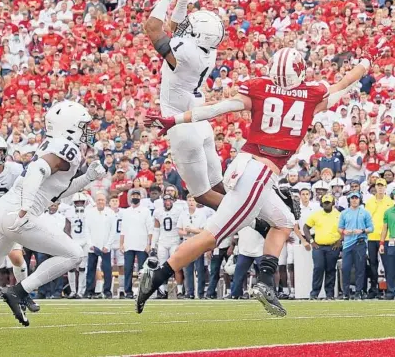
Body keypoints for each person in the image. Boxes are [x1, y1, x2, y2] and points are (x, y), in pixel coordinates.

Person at [139, 48, 372, 316]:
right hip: (258, 174)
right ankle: (157, 275)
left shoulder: (260, 88)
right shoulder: (311, 95)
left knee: (284, 221)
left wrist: (175, 120)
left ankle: (264, 282)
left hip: (248, 167)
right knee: (212, 236)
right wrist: (366, 62)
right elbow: (343, 84)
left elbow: (218, 108)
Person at [0, 101, 106, 326]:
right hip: (18, 213)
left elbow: (56, 193)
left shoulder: (54, 144)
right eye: (83, 125)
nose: (87, 130)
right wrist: (25, 206)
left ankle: (18, 292)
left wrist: (88, 177)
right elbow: (37, 169)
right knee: (74, 254)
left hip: (0, 211)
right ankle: (19, 291)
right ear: (70, 126)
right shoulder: (67, 147)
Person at [144, 0, 226, 210]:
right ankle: (252, 216)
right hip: (199, 120)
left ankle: (254, 223)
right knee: (219, 186)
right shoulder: (208, 51)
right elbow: (179, 30)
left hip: (181, 124)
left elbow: (153, 27)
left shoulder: (185, 53)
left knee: (202, 195)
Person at [0, 134, 39, 313]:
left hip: (9, 220)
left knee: (17, 257)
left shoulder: (15, 170)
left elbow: (30, 187)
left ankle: (23, 293)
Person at [303, 194, 342, 300]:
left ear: (333, 203)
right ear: (321, 204)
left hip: (333, 246)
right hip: (318, 246)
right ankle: (314, 293)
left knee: (330, 269)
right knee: (318, 268)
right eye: (325, 203)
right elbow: (306, 227)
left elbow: (345, 229)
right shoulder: (316, 215)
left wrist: (340, 241)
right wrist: (311, 240)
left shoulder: (339, 215)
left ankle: (329, 294)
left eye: (328, 203)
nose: (326, 205)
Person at [338, 191, 374, 300]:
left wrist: (362, 231)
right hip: (348, 244)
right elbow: (339, 228)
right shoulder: (344, 213)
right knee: (345, 268)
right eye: (352, 198)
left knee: (360, 268)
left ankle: (359, 291)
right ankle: (346, 292)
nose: (354, 200)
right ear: (349, 200)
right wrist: (344, 232)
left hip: (360, 243)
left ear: (359, 200)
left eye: (356, 198)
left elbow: (371, 228)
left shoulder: (365, 213)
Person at [120, 189, 153, 299]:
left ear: (141, 197)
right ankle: (128, 291)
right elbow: (123, 230)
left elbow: (150, 229)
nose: (135, 197)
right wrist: (121, 244)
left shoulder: (145, 211)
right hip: (128, 244)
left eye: (137, 195)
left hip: (142, 245)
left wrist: (149, 244)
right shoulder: (126, 211)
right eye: (133, 195)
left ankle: (142, 291)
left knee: (142, 270)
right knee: (128, 269)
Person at [365, 178, 393, 298]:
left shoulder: (390, 202)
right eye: (378, 186)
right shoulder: (370, 202)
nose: (380, 188)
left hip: (386, 238)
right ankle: (373, 289)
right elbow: (366, 218)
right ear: (375, 187)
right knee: (373, 264)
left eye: (382, 186)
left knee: (388, 265)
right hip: (371, 237)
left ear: (386, 187)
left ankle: (389, 290)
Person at [151, 194, 183, 299]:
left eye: (169, 200)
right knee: (162, 268)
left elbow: (181, 226)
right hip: (162, 242)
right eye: (166, 201)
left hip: (175, 241)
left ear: (173, 201)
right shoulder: (158, 212)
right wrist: (153, 245)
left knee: (177, 266)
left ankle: (180, 291)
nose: (167, 203)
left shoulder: (178, 211)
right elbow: (156, 230)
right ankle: (163, 291)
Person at [84, 193, 115, 299]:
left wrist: (108, 245)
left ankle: (107, 291)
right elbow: (86, 230)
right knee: (91, 269)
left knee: (107, 269)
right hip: (93, 246)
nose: (100, 202)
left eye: (102, 200)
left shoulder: (110, 213)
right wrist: (90, 244)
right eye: (98, 200)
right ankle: (89, 291)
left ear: (105, 201)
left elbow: (113, 231)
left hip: (105, 247)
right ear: (95, 201)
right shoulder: (90, 213)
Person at [177, 195, 207, 299]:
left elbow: (203, 231)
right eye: (189, 200)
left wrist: (192, 230)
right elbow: (179, 230)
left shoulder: (201, 214)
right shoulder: (183, 214)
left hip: (198, 243)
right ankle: (189, 293)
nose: (191, 202)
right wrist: (184, 232)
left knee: (200, 269)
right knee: (188, 270)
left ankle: (201, 293)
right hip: (187, 242)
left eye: (192, 200)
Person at [36, 203, 66, 299]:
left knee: (57, 269)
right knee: (42, 269)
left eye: (55, 206)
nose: (53, 208)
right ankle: (42, 292)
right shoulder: (42, 217)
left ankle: (57, 292)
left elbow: (58, 230)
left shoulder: (61, 217)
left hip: (56, 245)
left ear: (58, 206)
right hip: (43, 245)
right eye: (51, 205)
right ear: (48, 205)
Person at [64, 193, 89, 299]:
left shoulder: (89, 212)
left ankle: (80, 291)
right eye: (77, 202)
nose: (79, 204)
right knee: (71, 267)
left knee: (82, 268)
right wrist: (69, 241)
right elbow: (67, 229)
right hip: (74, 241)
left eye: (81, 202)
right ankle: (73, 291)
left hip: (85, 242)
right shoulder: (69, 212)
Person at [379, 189, 395, 300]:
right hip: (392, 242)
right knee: (390, 269)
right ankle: (391, 291)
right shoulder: (388, 212)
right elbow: (384, 230)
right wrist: (381, 243)